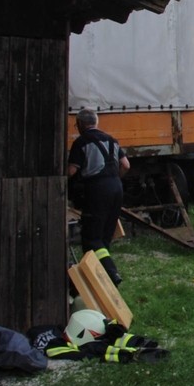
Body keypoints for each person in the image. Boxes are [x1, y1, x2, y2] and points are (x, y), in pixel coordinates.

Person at [67, 108, 130, 286]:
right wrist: (114, 179)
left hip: (97, 190)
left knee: (91, 238)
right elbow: (126, 165)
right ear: (96, 122)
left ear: (79, 124)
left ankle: (111, 274)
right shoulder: (112, 140)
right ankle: (98, 277)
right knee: (104, 238)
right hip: (117, 187)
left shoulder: (81, 142)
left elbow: (72, 170)